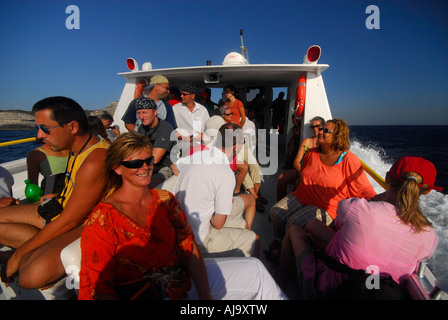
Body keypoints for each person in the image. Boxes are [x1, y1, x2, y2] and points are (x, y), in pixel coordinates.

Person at [78, 132, 287, 300]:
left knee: (257, 270)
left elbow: (189, 246)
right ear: (117, 169)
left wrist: (205, 297)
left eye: (148, 160)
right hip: (151, 293)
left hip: (180, 279)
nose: (144, 168)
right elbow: (94, 289)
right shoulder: (102, 220)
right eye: (134, 163)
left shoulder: (164, 199)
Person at [277, 156, 441, 299]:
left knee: (295, 230)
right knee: (315, 226)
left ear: (387, 179)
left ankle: (279, 288)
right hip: (377, 293)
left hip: (330, 290)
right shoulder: (429, 235)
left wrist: (378, 199)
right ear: (426, 192)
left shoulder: (358, 209)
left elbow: (337, 228)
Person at [0, 96, 109, 289]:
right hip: (61, 208)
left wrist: (17, 257)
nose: (39, 136)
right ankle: (33, 249)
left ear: (73, 127)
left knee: (30, 276)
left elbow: (70, 220)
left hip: (81, 223)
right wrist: (58, 196)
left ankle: (24, 253)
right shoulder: (77, 148)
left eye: (45, 129)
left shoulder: (95, 160)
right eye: (37, 129)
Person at [270, 119, 376, 240]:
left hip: (326, 207)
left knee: (293, 222)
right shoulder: (311, 153)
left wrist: (381, 202)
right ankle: (281, 241)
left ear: (337, 136)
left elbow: (364, 189)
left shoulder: (349, 160)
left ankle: (285, 248)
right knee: (276, 213)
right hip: (303, 196)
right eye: (321, 129)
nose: (320, 132)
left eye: (325, 130)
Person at [174, 123, 259, 258]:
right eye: (242, 142)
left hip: (180, 227)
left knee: (242, 225)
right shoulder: (225, 173)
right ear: (236, 147)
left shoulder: (198, 155)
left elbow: (175, 165)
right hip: (199, 239)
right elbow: (217, 224)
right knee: (254, 238)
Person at [276, 116, 325, 201]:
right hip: (302, 170)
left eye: (318, 126)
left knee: (297, 183)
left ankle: (291, 206)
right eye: (312, 127)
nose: (315, 129)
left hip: (316, 175)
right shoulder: (306, 142)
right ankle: (280, 204)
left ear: (323, 127)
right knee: (281, 178)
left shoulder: (326, 144)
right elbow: (296, 161)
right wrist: (301, 172)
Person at [135, 96, 175, 187]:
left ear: (155, 112)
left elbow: (155, 159)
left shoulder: (165, 128)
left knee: (147, 186)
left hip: (165, 166)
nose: (141, 117)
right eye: (139, 113)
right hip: (147, 165)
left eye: (144, 112)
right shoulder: (142, 128)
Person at [172, 84, 210, 156]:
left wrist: (202, 135)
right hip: (184, 145)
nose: (181, 96)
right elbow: (173, 130)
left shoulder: (202, 110)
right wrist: (184, 138)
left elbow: (208, 128)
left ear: (193, 96)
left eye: (184, 94)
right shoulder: (176, 108)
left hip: (200, 145)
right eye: (181, 94)